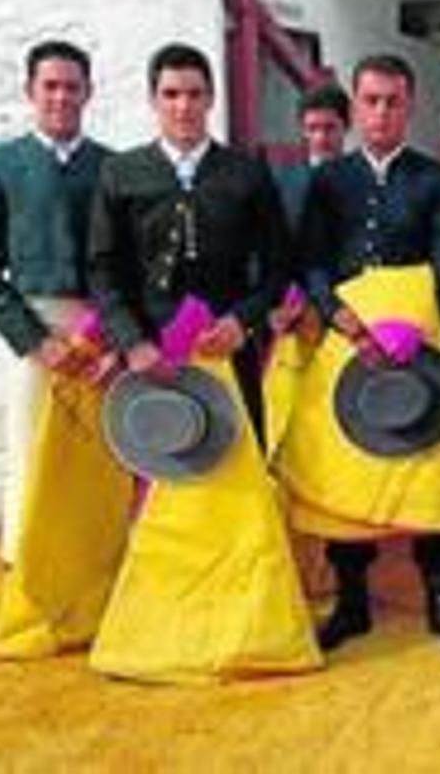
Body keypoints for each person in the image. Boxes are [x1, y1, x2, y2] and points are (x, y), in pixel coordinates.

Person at [84, 42, 317, 684]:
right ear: (153, 101)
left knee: (237, 487)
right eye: (171, 94)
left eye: (194, 94)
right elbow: (103, 270)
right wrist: (132, 342)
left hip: (225, 356)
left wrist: (243, 321)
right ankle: (160, 626)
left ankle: (245, 627)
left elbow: (278, 266)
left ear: (211, 98)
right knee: (158, 490)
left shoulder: (245, 173)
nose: (184, 106)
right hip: (153, 359)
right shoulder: (122, 174)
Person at [289, 54, 440, 655]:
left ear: (410, 106)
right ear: (355, 106)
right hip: (348, 345)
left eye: (393, 102)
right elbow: (310, 262)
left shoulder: (434, 179)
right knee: (345, 472)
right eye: (371, 101)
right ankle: (352, 604)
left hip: (420, 347)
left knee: (431, 473)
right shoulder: (329, 180)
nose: (381, 112)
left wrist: (413, 323)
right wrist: (341, 318)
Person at [0, 39, 113, 565]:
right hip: (36, 325)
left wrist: (115, 336)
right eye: (50, 86)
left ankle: (95, 562)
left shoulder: (112, 166)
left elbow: (127, 264)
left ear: (89, 92)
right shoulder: (0, 164)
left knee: (98, 451)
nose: (61, 97)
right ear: (30, 91)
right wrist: (36, 341)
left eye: (72, 87)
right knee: (32, 444)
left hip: (101, 328)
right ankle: (27, 562)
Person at [274, 83, 350, 236]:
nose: (320, 137)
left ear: (347, 126)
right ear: (302, 130)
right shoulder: (281, 182)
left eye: (330, 127)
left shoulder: (364, 179)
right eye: (312, 128)